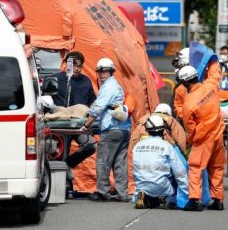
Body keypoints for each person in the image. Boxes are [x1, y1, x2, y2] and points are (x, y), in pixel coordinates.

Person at [82, 57, 131, 202]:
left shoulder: (108, 87)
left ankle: (103, 192)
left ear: (111, 72)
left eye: (105, 71)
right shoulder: (116, 85)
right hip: (124, 129)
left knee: (103, 160)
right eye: (100, 71)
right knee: (120, 162)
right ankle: (122, 194)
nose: (102, 74)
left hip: (112, 129)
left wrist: (87, 124)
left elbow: (98, 107)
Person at [179, 65, 225, 211]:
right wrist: (211, 61)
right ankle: (218, 200)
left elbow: (190, 127)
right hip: (218, 135)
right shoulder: (211, 86)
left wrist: (190, 141)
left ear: (185, 83)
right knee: (216, 167)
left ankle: (194, 200)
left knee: (195, 167)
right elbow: (216, 74)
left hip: (203, 139)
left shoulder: (189, 102)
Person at [52, 51, 96, 182]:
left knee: (90, 145)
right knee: (58, 152)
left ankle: (68, 164)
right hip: (60, 125)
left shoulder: (86, 81)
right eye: (73, 65)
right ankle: (60, 184)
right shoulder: (56, 79)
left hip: (79, 124)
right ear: (66, 64)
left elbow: (92, 100)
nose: (76, 68)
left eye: (79, 66)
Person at [133, 114, 188, 209]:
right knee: (173, 171)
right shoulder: (167, 146)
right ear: (163, 131)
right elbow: (179, 171)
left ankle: (144, 195)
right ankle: (167, 199)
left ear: (146, 130)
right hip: (161, 186)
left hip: (140, 184)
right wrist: (186, 191)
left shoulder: (138, 145)